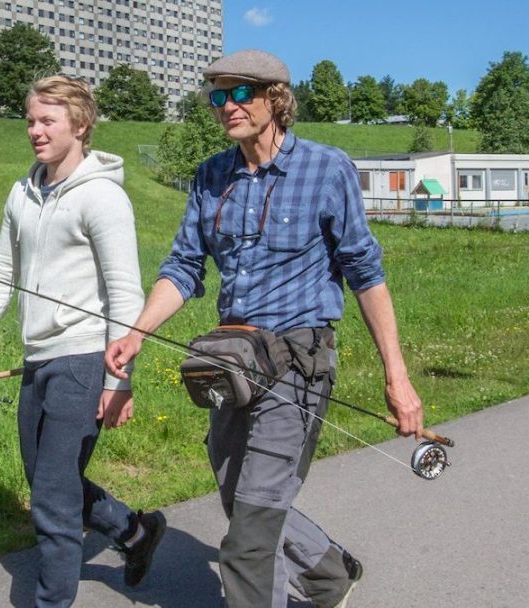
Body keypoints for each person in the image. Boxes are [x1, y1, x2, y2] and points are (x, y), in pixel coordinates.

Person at [104, 50, 425, 608]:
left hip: (301, 362)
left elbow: (365, 274)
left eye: (238, 93)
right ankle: (328, 573)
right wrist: (138, 332)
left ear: (275, 98)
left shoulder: (327, 169)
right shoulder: (210, 176)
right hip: (232, 361)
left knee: (248, 538)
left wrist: (398, 378)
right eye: (216, 96)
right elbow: (183, 267)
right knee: (237, 491)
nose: (225, 106)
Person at [0, 75, 166, 608]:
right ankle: (134, 533)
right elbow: (2, 272)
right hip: (36, 360)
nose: (34, 130)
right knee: (52, 479)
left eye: (47, 120)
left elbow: (125, 293)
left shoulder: (103, 197)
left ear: (80, 124)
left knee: (49, 497)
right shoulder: (22, 193)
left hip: (85, 358)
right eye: (30, 119)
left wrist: (120, 380)